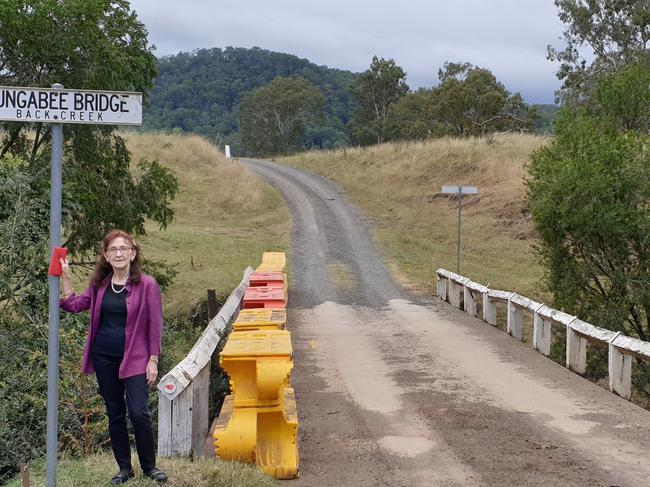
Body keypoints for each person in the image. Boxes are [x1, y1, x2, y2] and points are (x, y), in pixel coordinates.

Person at [59, 229, 168, 484]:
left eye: (124, 248)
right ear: (106, 256)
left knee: (139, 412)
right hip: (104, 358)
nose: (118, 253)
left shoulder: (147, 284)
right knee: (115, 412)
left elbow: (155, 324)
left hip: (136, 358)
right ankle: (124, 469)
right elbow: (74, 305)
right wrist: (66, 278)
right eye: (113, 250)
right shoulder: (100, 285)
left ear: (133, 253)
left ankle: (150, 467)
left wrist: (153, 360)